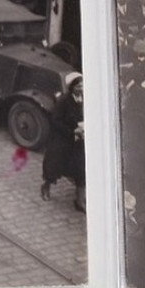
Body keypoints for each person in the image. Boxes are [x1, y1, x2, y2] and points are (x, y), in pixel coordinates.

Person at [42, 73, 86, 211]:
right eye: (79, 86)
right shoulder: (64, 101)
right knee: (54, 166)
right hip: (64, 139)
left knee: (81, 169)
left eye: (83, 85)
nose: (82, 88)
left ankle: (79, 201)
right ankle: (46, 186)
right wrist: (73, 131)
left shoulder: (86, 98)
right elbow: (55, 121)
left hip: (80, 141)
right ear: (72, 87)